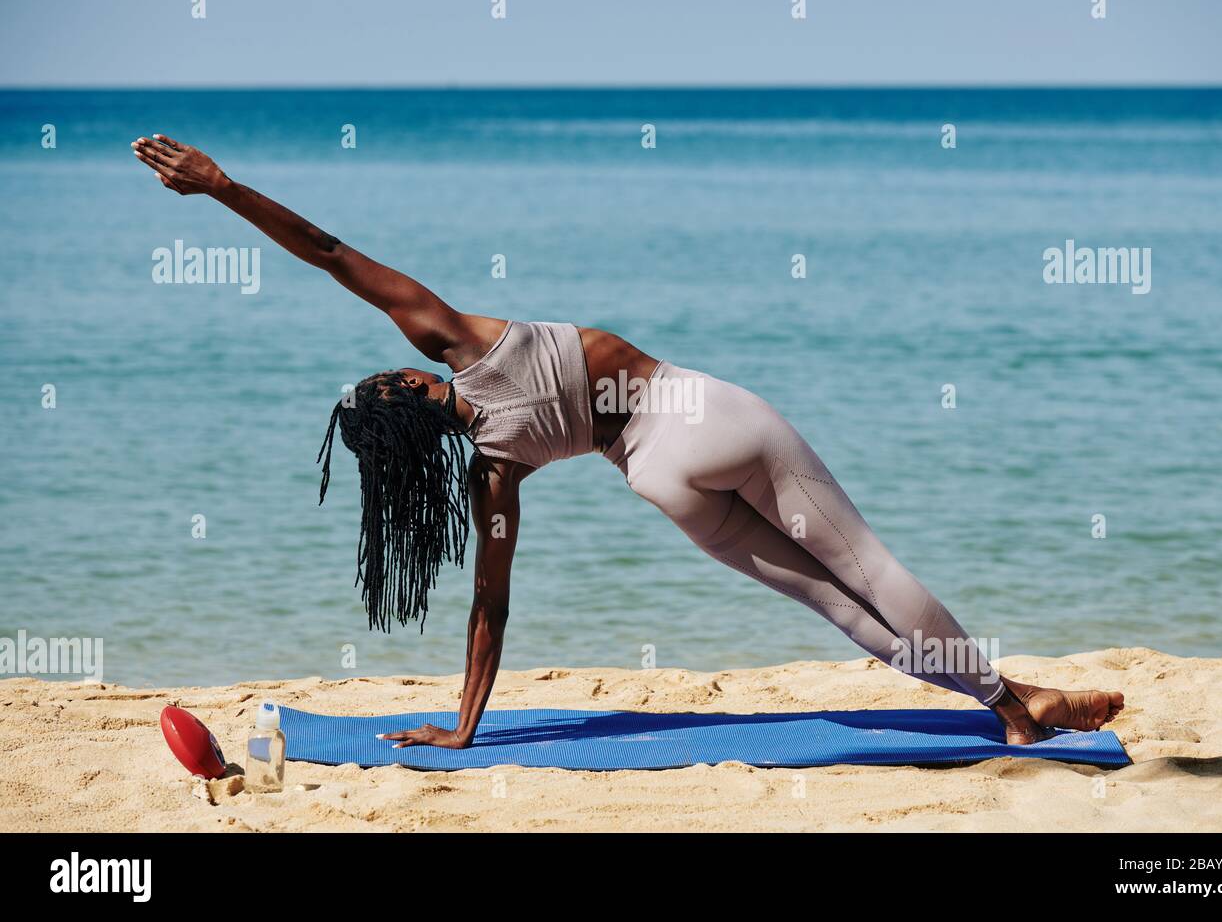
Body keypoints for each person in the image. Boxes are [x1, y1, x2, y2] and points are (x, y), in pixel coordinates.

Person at [131, 134, 1124, 749]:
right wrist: (219, 185)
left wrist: (465, 724)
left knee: (832, 601)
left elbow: (490, 604)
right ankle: (1003, 697)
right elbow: (329, 252)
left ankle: (1011, 699)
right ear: (402, 385)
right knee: (862, 562)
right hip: (695, 415)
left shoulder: (493, 472)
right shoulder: (450, 339)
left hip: (656, 479)